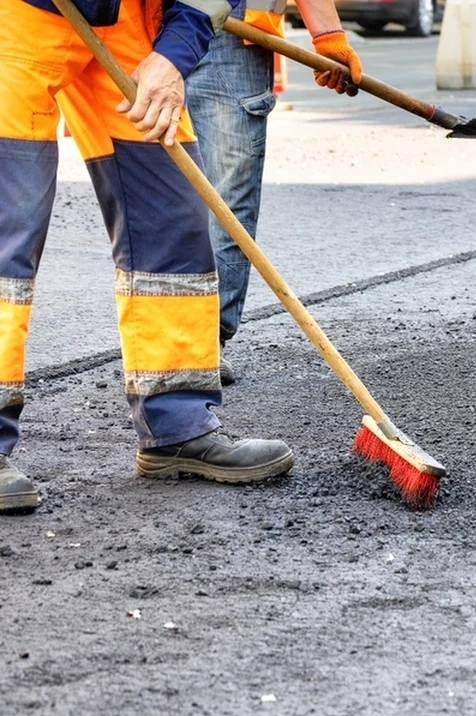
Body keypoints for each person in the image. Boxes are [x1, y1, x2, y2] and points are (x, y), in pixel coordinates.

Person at [0, 0, 296, 512]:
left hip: (131, 22)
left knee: (172, 219)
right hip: (18, 18)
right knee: (10, 222)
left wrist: (174, 56)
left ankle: (178, 425)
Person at [186, 0, 362, 385]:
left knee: (226, 193)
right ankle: (162, 338)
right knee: (156, 186)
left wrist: (328, 35)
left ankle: (201, 341)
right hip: (141, 25)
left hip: (228, 30)